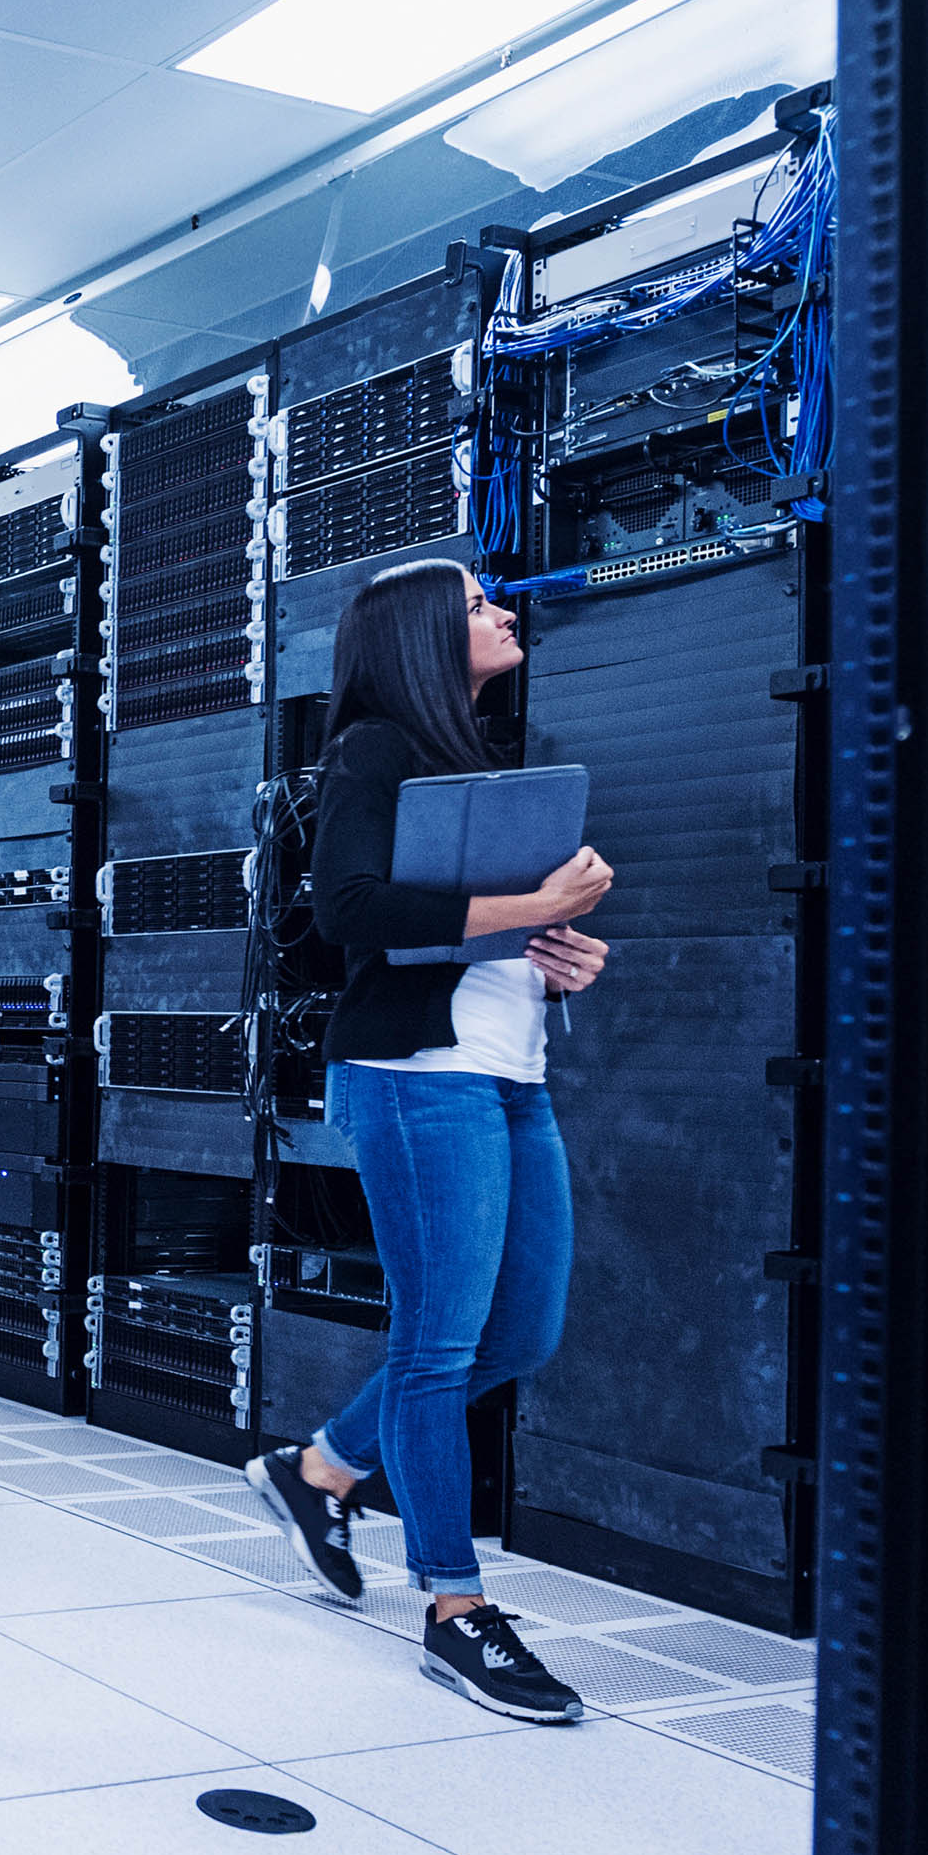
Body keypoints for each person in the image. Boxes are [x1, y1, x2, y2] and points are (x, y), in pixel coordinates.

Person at [241, 559, 613, 1723]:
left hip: (509, 1075)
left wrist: (565, 960)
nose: (503, 615)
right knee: (439, 1347)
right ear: (419, 638)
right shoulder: (374, 750)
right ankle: (456, 1610)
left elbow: (479, 940)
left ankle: (320, 1472)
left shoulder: (477, 768)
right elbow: (348, 909)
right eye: (479, 607)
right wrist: (538, 907)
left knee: (520, 1331)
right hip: (415, 1082)